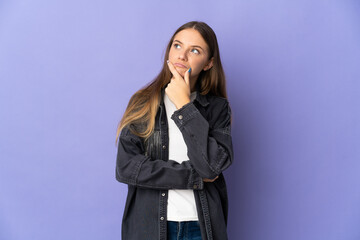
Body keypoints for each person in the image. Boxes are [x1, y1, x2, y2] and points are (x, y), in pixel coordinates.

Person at [115, 21, 233, 240]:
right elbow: (127, 168)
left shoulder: (217, 108)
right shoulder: (142, 103)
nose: (182, 55)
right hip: (150, 227)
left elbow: (211, 167)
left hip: (201, 227)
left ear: (208, 63)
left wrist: (184, 106)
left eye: (194, 50)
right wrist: (191, 176)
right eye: (177, 46)